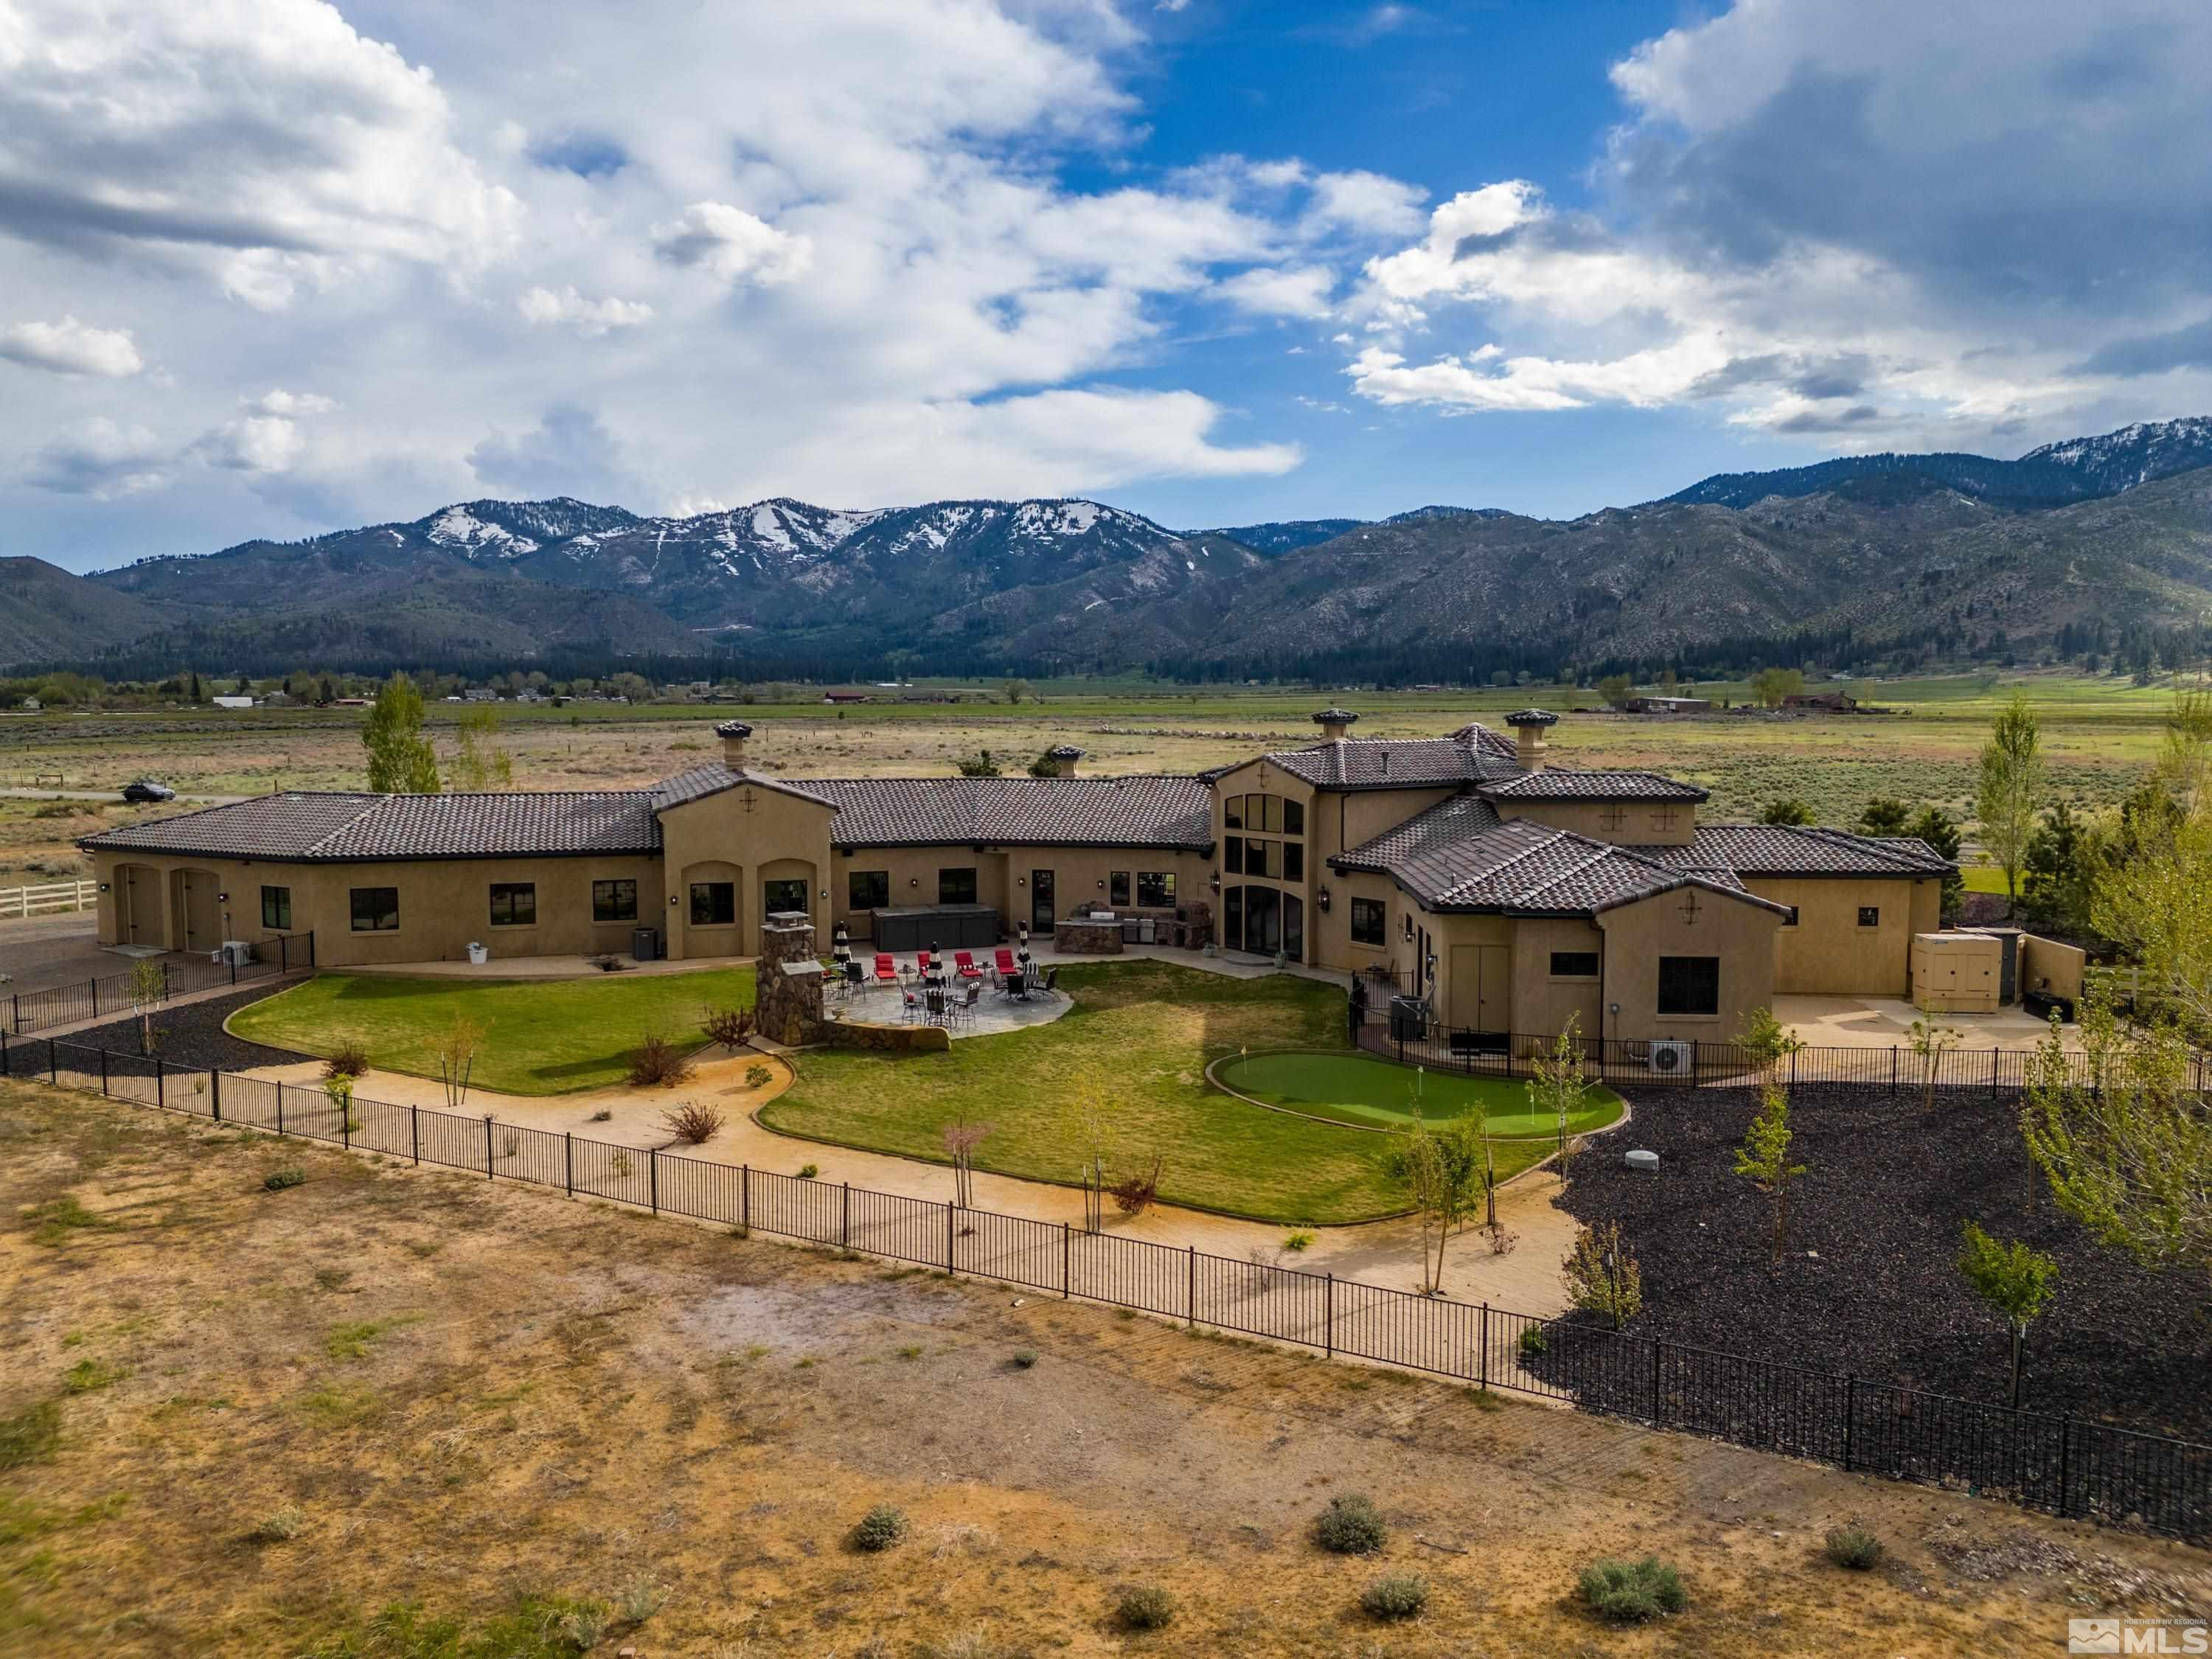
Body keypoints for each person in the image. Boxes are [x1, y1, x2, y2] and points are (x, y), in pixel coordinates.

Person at [1348, 973, 1368, 1043]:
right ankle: (1359, 1021)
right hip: (1357, 1004)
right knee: (1357, 1007)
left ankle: (1359, 1021)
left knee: (1357, 1007)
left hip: (1357, 1004)